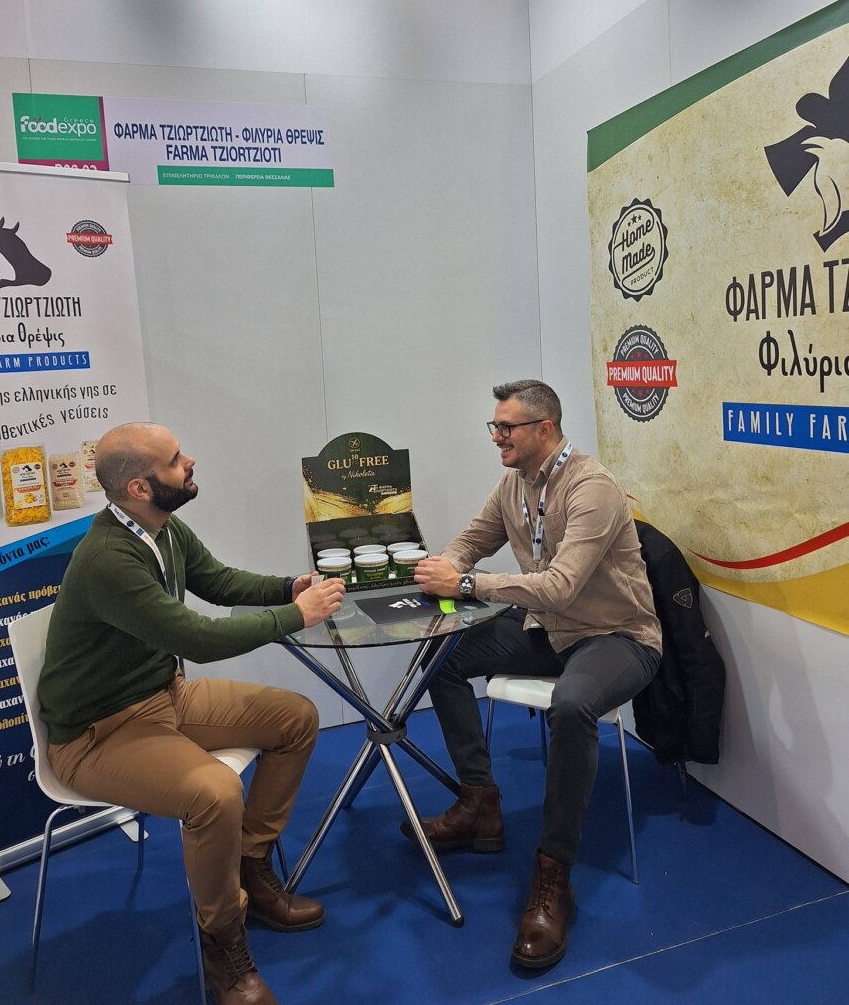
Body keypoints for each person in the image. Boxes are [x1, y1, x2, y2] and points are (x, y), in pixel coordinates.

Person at [38, 422, 346, 1005]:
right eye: (176, 460)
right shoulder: (109, 559)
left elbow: (219, 582)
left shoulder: (162, 526)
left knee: (296, 719)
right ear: (139, 488)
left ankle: (249, 866)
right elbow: (198, 639)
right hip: (96, 735)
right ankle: (222, 942)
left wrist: (288, 588)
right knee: (215, 794)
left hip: (163, 696)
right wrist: (297, 615)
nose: (191, 462)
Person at [407, 380, 661, 971]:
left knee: (571, 705)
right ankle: (479, 802)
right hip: (549, 630)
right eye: (494, 426)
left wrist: (465, 584)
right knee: (441, 656)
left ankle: (553, 875)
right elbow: (474, 539)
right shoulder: (515, 483)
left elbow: (561, 587)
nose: (496, 437)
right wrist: (445, 566)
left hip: (617, 635)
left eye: (506, 428)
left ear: (544, 430)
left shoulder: (592, 488)